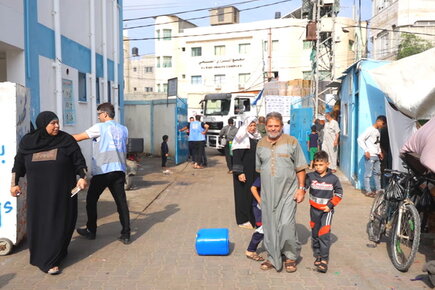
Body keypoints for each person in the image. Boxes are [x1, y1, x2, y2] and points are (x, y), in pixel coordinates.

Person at [10, 111, 87, 274]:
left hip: (62, 193)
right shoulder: (29, 142)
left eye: (57, 122)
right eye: (52, 123)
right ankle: (42, 255)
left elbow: (79, 161)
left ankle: (52, 259)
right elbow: (18, 163)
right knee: (40, 223)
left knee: (59, 222)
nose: (57, 126)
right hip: (38, 194)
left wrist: (82, 176)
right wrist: (14, 184)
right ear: (43, 124)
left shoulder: (66, 140)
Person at [255, 112, 307, 273]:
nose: (273, 128)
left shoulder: (291, 142)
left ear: (281, 126)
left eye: (276, 126)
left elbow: (300, 167)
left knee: (286, 224)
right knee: (270, 226)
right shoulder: (260, 144)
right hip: (268, 194)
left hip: (288, 193)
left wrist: (301, 189)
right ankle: (273, 257)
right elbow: (260, 169)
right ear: (265, 127)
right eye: (270, 126)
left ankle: (290, 256)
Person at [73, 102, 131, 245]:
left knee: (91, 200)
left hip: (103, 171)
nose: (98, 117)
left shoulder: (100, 128)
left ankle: (91, 231)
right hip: (119, 170)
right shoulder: (124, 129)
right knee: (121, 203)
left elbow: (79, 137)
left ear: (105, 114)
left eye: (99, 114)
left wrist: (59, 137)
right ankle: (126, 234)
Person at [305, 150, 343, 273]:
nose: (318, 167)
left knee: (324, 234)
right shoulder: (310, 177)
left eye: (321, 165)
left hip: (327, 211)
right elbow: (303, 187)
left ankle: (324, 260)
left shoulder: (333, 179)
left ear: (327, 164)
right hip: (313, 210)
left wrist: (330, 205)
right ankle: (318, 255)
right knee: (315, 233)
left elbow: (339, 193)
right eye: (316, 165)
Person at [232, 116, 262, 229]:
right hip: (244, 173)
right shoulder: (241, 138)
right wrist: (239, 172)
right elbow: (237, 156)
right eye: (250, 125)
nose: (253, 128)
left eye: (254, 125)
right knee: (243, 195)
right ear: (245, 126)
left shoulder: (256, 138)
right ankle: (242, 219)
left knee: (252, 194)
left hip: (254, 171)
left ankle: (252, 218)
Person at [357, 115, 386, 197]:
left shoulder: (377, 131)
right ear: (378, 121)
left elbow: (377, 143)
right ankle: (368, 191)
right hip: (370, 156)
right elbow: (360, 139)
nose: (382, 126)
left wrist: (379, 152)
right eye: (383, 124)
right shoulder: (370, 130)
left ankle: (378, 190)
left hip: (376, 155)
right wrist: (366, 150)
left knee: (377, 173)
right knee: (368, 174)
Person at [245, 176, 265, 262]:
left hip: (270, 207)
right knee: (261, 229)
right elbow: (253, 188)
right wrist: (260, 201)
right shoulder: (264, 175)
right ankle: (250, 250)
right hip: (259, 208)